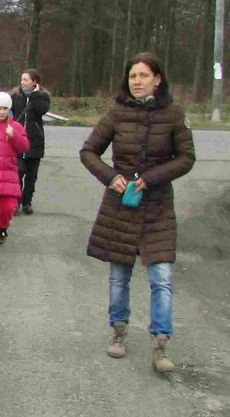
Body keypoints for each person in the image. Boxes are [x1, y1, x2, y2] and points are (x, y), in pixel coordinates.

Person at [79, 52, 195, 373]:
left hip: (157, 209)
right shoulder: (116, 112)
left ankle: (160, 343)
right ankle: (118, 332)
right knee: (119, 276)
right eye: (133, 76)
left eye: (143, 76)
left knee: (162, 278)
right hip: (121, 208)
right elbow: (88, 151)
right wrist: (111, 176)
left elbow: (186, 157)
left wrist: (152, 179)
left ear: (158, 79)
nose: (137, 82)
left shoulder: (173, 114)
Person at [0, 92, 30, 253]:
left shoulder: (16, 126)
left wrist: (14, 135)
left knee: (10, 207)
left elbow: (24, 147)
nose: (2, 112)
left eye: (5, 108)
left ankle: (3, 227)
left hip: (9, 174)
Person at [11, 68, 51, 215]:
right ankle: (16, 201)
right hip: (18, 140)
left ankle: (27, 201)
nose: (23, 83)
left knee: (31, 175)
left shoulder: (42, 98)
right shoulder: (15, 96)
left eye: (26, 80)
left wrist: (35, 96)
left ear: (35, 82)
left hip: (35, 142)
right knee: (18, 173)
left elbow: (42, 110)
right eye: (22, 79)